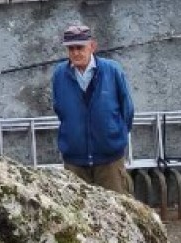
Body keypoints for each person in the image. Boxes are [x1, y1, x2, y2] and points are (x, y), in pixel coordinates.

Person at [51, 24, 135, 195]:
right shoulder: (60, 75)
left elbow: (127, 110)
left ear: (92, 46)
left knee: (115, 211)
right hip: (75, 161)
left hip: (109, 160)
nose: (75, 53)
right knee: (79, 215)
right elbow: (60, 111)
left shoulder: (112, 71)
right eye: (71, 48)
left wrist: (113, 137)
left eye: (80, 47)